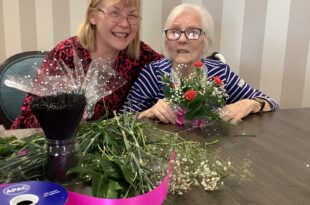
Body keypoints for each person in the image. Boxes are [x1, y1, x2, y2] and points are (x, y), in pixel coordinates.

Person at [11, 0, 163, 129]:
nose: (125, 23)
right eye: (114, 13)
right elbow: (28, 117)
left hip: (109, 152)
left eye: (132, 15)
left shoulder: (140, 55)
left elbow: (173, 70)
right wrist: (62, 117)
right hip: (49, 148)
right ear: (93, 16)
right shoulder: (66, 54)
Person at [121, 3, 279, 124]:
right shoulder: (153, 74)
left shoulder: (220, 72)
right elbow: (121, 121)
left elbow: (271, 102)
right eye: (174, 31)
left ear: (206, 41)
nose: (182, 40)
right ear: (166, 40)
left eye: (192, 32)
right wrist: (148, 113)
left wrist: (249, 104)